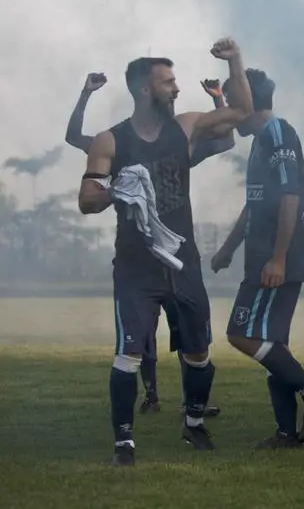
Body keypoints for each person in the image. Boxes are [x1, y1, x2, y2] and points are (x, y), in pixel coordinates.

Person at [78, 38, 254, 466]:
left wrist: (235, 62)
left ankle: (193, 424)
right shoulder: (111, 140)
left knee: (198, 351)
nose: (176, 89)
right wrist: (117, 187)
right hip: (137, 267)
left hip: (183, 262)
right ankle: (124, 441)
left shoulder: (187, 126)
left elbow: (242, 114)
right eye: (168, 82)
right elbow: (86, 199)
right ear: (144, 89)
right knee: (129, 353)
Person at [65, 72, 230, 418]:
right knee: (141, 337)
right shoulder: (116, 144)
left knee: (189, 334)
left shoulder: (178, 146)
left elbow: (226, 140)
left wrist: (218, 99)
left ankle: (191, 404)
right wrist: (85, 94)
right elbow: (74, 137)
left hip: (175, 256)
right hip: (137, 255)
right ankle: (151, 395)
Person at [211, 69, 304, 449]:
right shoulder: (261, 140)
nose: (231, 112)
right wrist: (229, 247)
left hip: (275, 259)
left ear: (249, 102)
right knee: (273, 344)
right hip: (264, 256)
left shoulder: (279, 134)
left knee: (242, 334)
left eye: (232, 102)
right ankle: (286, 434)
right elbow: (254, 206)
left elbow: (290, 197)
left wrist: (278, 258)